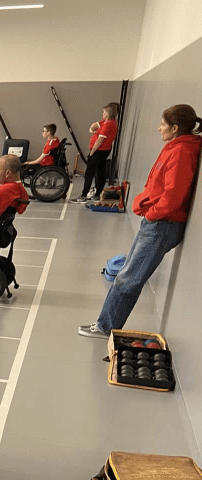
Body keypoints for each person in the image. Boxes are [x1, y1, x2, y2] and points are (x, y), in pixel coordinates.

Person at [79, 104, 202, 339]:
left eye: (163, 125)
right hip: (155, 223)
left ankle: (106, 327)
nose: (159, 128)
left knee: (128, 278)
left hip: (162, 225)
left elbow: (174, 196)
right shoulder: (175, 147)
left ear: (175, 128)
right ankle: (104, 323)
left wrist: (153, 213)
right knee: (126, 273)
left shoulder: (181, 151)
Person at [72, 102, 119, 203]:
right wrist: (93, 131)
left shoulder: (109, 124)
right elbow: (94, 126)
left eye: (104, 112)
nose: (103, 114)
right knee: (100, 171)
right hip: (103, 151)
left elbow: (100, 141)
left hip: (99, 151)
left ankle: (83, 196)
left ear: (108, 113)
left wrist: (91, 153)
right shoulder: (108, 122)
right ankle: (97, 193)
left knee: (89, 173)